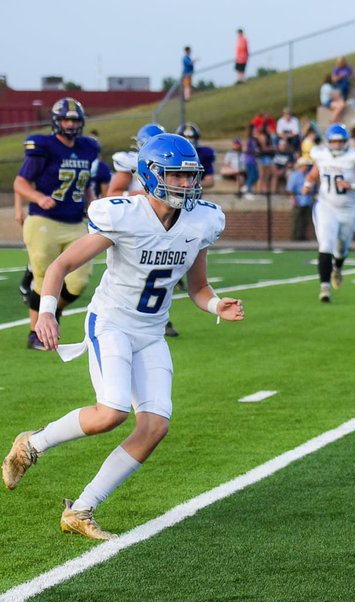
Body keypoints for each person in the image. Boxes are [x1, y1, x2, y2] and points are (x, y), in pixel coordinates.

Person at [3, 133, 243, 540]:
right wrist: (47, 314)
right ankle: (32, 444)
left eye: (190, 177)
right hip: (111, 322)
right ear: (150, 175)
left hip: (151, 332)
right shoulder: (123, 214)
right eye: (176, 176)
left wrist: (217, 305)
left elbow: (198, 287)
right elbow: (60, 266)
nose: (186, 185)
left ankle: (81, 510)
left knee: (154, 427)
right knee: (111, 412)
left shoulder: (202, 220)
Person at [13, 98, 102, 351]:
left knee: (79, 281)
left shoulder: (88, 148)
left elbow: (86, 186)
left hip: (74, 221)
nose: (71, 124)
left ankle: (51, 313)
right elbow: (20, 183)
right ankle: (35, 334)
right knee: (43, 278)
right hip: (44, 220)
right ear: (56, 121)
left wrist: (94, 207)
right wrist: (39, 197)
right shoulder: (44, 146)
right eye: (66, 119)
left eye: (75, 120)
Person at [301, 124, 355, 303]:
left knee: (342, 249)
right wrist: (307, 186)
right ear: (328, 142)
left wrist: (353, 186)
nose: (338, 145)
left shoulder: (354, 157)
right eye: (334, 142)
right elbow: (312, 175)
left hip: (348, 210)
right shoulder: (322, 156)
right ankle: (324, 288)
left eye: (341, 142)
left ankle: (338, 268)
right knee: (325, 245)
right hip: (326, 206)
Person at [288, 157, 314, 241]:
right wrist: (293, 199)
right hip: (298, 200)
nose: (307, 167)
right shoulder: (295, 175)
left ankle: (302, 236)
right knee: (296, 220)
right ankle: (294, 237)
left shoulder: (309, 175)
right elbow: (290, 189)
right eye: (306, 165)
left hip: (307, 200)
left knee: (305, 220)